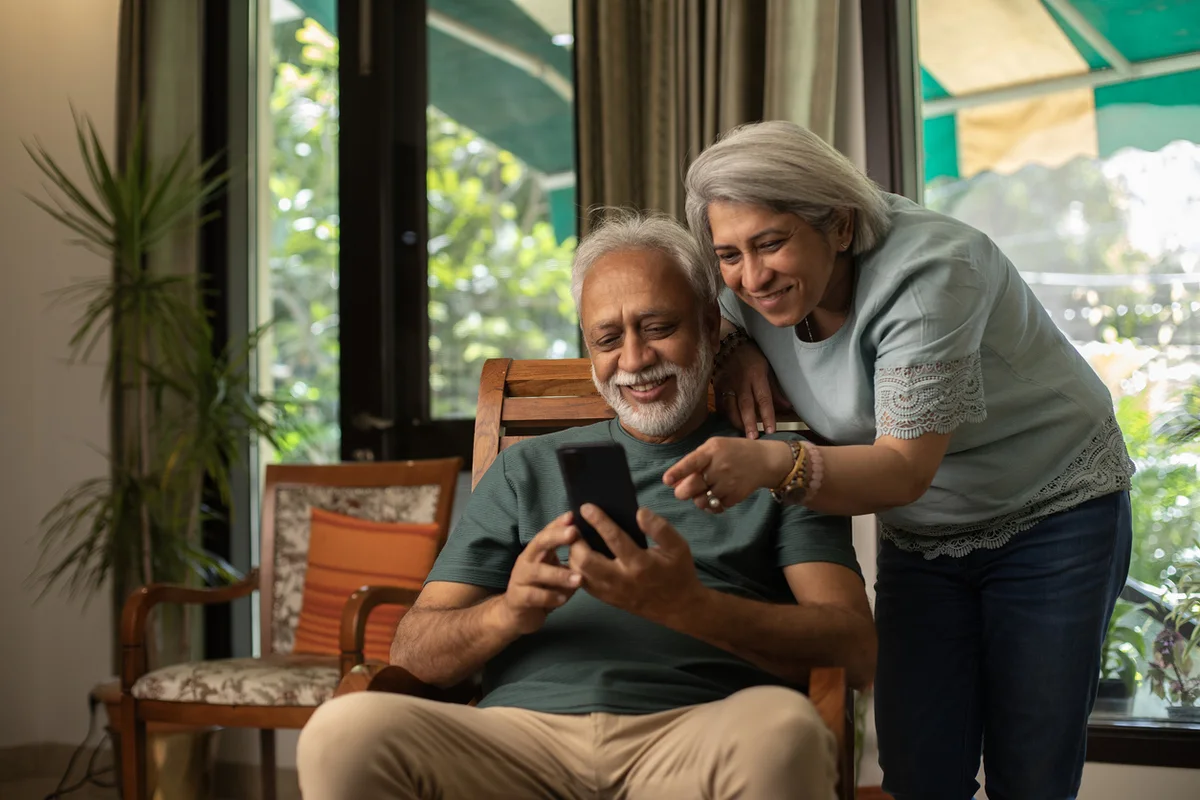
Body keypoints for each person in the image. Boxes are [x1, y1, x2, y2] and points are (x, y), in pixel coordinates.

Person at [296, 211, 875, 800]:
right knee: (345, 730)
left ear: (708, 326)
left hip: (698, 733)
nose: (634, 359)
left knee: (783, 734)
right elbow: (413, 651)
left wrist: (691, 607)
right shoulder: (526, 470)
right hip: (520, 741)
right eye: (607, 338)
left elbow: (853, 649)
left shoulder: (779, 466)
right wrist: (510, 611)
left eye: (657, 327)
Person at [664, 120, 1135, 800]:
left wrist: (772, 463)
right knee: (919, 769)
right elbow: (717, 305)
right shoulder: (742, 284)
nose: (752, 276)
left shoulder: (931, 275)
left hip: (1052, 507)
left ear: (843, 227)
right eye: (730, 254)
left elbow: (902, 469)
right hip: (924, 532)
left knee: (1030, 772)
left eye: (771, 243)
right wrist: (735, 348)